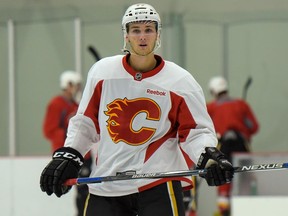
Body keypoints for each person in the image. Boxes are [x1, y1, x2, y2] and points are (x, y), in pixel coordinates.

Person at [40, 4, 234, 216]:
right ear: (126, 35)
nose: (143, 37)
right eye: (136, 30)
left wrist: (209, 156)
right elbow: (85, 123)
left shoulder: (180, 81)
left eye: (149, 30)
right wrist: (69, 155)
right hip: (107, 183)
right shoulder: (102, 72)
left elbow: (196, 132)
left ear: (158, 34)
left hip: (158, 182)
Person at [206, 76, 259, 216]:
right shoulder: (241, 104)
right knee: (246, 175)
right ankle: (245, 207)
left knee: (223, 174)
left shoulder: (210, 107)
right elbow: (254, 127)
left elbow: (205, 129)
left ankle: (224, 207)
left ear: (213, 91)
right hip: (242, 146)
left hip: (223, 146)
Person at [42, 70, 92, 216]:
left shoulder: (76, 105)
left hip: (84, 155)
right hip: (68, 154)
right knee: (82, 188)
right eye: (75, 85)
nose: (77, 88)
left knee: (86, 188)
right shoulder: (56, 104)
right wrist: (65, 141)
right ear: (68, 84)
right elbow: (49, 130)